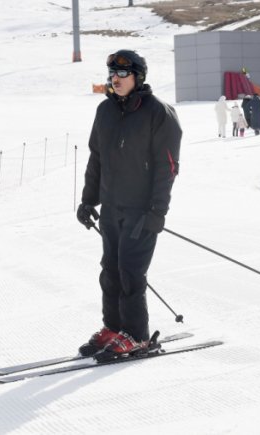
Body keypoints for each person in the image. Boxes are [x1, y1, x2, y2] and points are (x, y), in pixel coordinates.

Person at [76, 49, 182, 361]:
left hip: (142, 211)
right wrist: (88, 200)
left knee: (130, 272)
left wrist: (158, 211)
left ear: (138, 76)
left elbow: (168, 167)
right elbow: (97, 159)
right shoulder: (105, 111)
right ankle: (114, 328)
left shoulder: (159, 113)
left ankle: (136, 336)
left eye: (123, 73)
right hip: (111, 207)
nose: (116, 79)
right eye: (112, 73)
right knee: (110, 271)